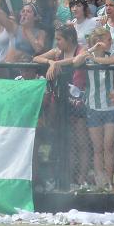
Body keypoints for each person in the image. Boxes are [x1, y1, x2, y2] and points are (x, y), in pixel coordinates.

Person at [34, 24, 89, 187]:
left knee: (81, 143)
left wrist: (58, 64)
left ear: (70, 38)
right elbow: (35, 58)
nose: (56, 42)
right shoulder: (57, 52)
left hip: (78, 103)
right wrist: (51, 61)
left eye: (59, 39)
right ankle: (68, 178)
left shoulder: (81, 49)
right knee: (65, 142)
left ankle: (82, 179)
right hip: (59, 103)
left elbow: (77, 60)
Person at [76, 26, 114, 190]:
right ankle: (99, 180)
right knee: (97, 148)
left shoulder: (112, 54)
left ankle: (109, 181)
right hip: (93, 107)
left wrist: (95, 59)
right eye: (108, 39)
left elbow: (113, 61)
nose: (110, 42)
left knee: (109, 146)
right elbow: (76, 61)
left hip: (111, 107)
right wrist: (93, 49)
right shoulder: (87, 55)